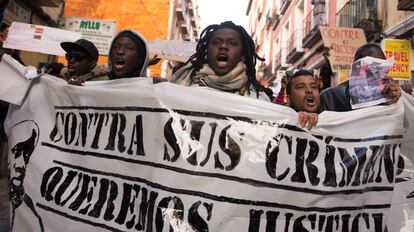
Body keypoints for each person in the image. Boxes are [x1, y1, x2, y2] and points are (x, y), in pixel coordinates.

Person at [170, 21, 272, 101]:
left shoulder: (259, 100)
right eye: (216, 42)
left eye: (232, 43)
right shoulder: (180, 85)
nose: (223, 46)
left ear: (243, 55)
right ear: (207, 50)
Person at [319, 43, 401, 112]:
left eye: (382, 67)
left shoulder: (391, 96)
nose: (376, 73)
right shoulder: (330, 97)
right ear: (355, 68)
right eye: (370, 68)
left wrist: (392, 104)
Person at [67, 30, 151, 86]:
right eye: (115, 47)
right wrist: (75, 93)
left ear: (140, 58)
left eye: (129, 48)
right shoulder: (95, 85)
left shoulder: (150, 90)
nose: (120, 51)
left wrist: (162, 89)